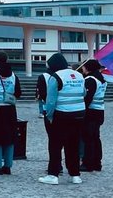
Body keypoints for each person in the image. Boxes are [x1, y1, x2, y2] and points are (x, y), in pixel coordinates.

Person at [39, 53, 86, 185]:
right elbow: (84, 92)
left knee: (55, 144)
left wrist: (49, 115)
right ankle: (75, 174)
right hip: (79, 114)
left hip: (62, 115)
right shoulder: (79, 75)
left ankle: (53, 175)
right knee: (73, 144)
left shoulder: (55, 77)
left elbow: (51, 100)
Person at [0, 52, 22, 175]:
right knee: (10, 138)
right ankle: (8, 166)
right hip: (10, 109)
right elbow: (18, 93)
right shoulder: (13, 75)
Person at [81, 59, 106, 172]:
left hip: (90, 112)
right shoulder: (101, 78)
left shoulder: (91, 79)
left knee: (88, 138)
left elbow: (87, 97)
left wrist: (82, 111)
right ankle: (97, 162)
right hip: (99, 110)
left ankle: (88, 163)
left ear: (88, 68)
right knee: (95, 137)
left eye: (83, 66)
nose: (82, 68)